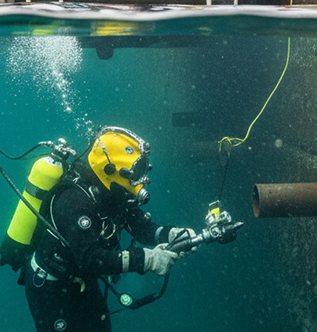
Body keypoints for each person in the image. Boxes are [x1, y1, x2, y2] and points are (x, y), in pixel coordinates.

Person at [24, 126, 195, 332]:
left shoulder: (114, 193)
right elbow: (91, 258)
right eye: (135, 173)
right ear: (110, 169)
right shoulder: (74, 201)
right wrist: (147, 259)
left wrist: (172, 235)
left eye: (142, 171)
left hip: (83, 281)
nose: (140, 181)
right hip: (52, 289)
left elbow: (141, 228)